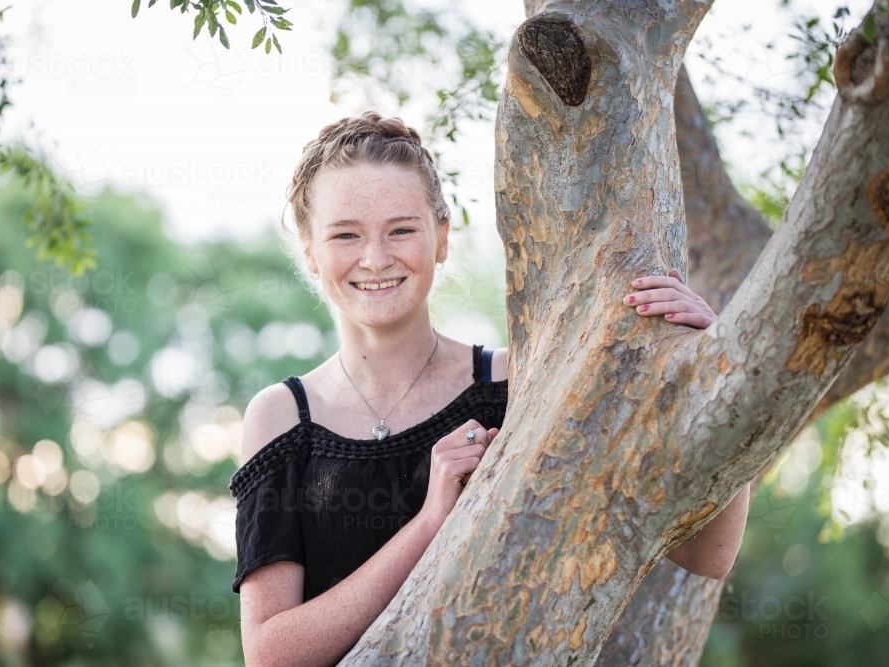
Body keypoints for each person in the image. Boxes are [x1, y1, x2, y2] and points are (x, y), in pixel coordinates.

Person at [230, 111, 751, 667]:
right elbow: (271, 656)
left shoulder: (522, 383)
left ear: (442, 239)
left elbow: (709, 554)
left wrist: (717, 376)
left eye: (402, 229)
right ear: (310, 251)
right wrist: (431, 524)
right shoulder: (282, 417)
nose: (375, 257)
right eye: (345, 235)